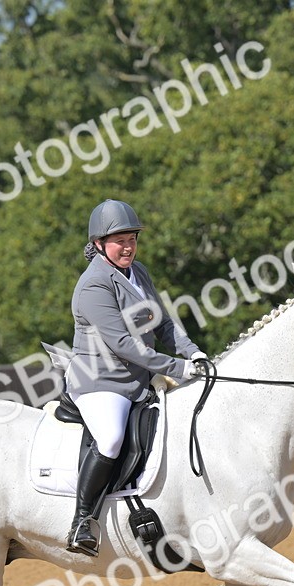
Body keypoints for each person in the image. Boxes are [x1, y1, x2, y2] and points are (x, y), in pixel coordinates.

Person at [63, 199, 208, 557]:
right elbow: (124, 344)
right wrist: (177, 368)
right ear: (98, 244)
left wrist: (193, 352)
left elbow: (161, 323)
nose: (127, 247)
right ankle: (83, 520)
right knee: (111, 438)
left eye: (132, 239)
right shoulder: (93, 285)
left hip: (139, 380)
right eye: (119, 241)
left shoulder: (138, 272)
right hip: (101, 381)